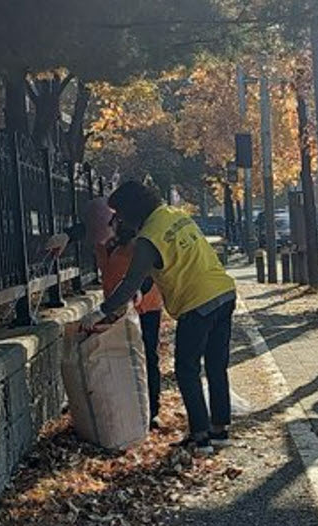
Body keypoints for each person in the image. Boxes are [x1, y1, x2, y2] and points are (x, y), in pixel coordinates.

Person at [80, 181, 237, 456]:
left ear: (132, 211)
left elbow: (130, 281)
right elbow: (161, 268)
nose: (118, 220)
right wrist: (139, 292)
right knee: (215, 366)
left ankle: (200, 438)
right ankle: (219, 430)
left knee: (186, 370)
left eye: (120, 213)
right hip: (224, 292)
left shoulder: (148, 238)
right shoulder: (174, 215)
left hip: (196, 304)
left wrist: (101, 311)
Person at [47, 198, 166, 430]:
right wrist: (65, 237)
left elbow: (146, 270)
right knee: (120, 356)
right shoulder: (100, 236)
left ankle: (152, 411)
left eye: (104, 233)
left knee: (147, 357)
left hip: (146, 305)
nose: (100, 241)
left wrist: (139, 292)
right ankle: (127, 405)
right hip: (114, 309)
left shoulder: (135, 238)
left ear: (116, 222)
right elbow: (85, 228)